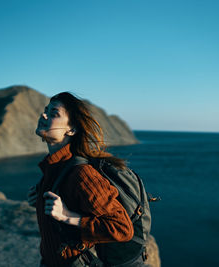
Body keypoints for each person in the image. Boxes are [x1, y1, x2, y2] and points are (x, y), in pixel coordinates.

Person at [27, 92, 144, 267]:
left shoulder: (82, 175)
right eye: (45, 110)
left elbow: (122, 229)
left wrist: (68, 216)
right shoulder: (54, 169)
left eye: (54, 114)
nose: (43, 115)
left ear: (71, 130)